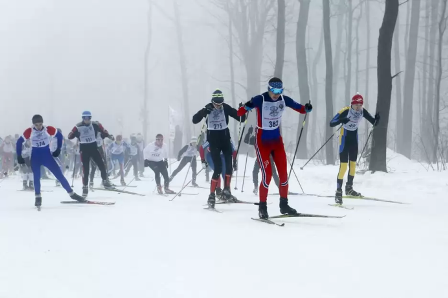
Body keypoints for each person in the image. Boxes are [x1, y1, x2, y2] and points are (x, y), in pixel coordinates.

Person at [237, 77, 312, 219]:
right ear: (269, 89)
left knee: (284, 175)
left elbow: (301, 109)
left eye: (279, 90)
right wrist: (246, 106)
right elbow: (240, 113)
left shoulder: (284, 100)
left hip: (277, 141)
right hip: (262, 142)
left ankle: (284, 205)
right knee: (267, 176)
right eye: (274, 90)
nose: (276, 94)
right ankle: (262, 207)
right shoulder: (260, 99)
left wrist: (306, 108)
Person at [16, 114, 85, 207]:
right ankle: (38, 197)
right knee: (36, 177)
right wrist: (19, 155)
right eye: (36, 125)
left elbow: (60, 136)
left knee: (59, 175)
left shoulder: (48, 129)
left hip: (47, 156)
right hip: (35, 157)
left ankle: (72, 194)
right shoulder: (29, 131)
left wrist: (58, 149)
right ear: (33, 125)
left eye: (40, 124)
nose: (39, 127)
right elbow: (19, 142)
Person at [192, 89, 245, 208]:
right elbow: (194, 120)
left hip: (225, 141)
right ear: (212, 101)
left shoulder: (225, 107)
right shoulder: (208, 108)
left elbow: (241, 119)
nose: (218, 106)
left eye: (220, 103)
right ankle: (211, 195)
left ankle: (227, 189)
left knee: (229, 167)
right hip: (214, 142)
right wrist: (204, 112)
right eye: (216, 103)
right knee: (218, 169)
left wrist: (242, 110)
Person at [329, 93, 379, 205]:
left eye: (360, 105)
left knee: (352, 166)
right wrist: (342, 119)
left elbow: (373, 122)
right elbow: (331, 123)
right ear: (352, 104)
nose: (358, 107)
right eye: (356, 104)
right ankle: (338, 192)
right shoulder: (346, 110)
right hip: (344, 139)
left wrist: (377, 119)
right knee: (343, 167)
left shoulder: (362, 111)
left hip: (354, 141)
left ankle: (349, 188)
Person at [67, 111, 114, 198]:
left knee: (102, 165)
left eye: (88, 118)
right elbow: (69, 136)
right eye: (85, 118)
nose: (87, 120)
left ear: (90, 118)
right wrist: (74, 134)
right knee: (86, 169)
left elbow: (104, 131)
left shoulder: (95, 124)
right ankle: (85, 187)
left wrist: (109, 136)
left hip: (93, 148)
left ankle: (105, 181)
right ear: (83, 118)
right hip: (84, 149)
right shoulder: (78, 126)